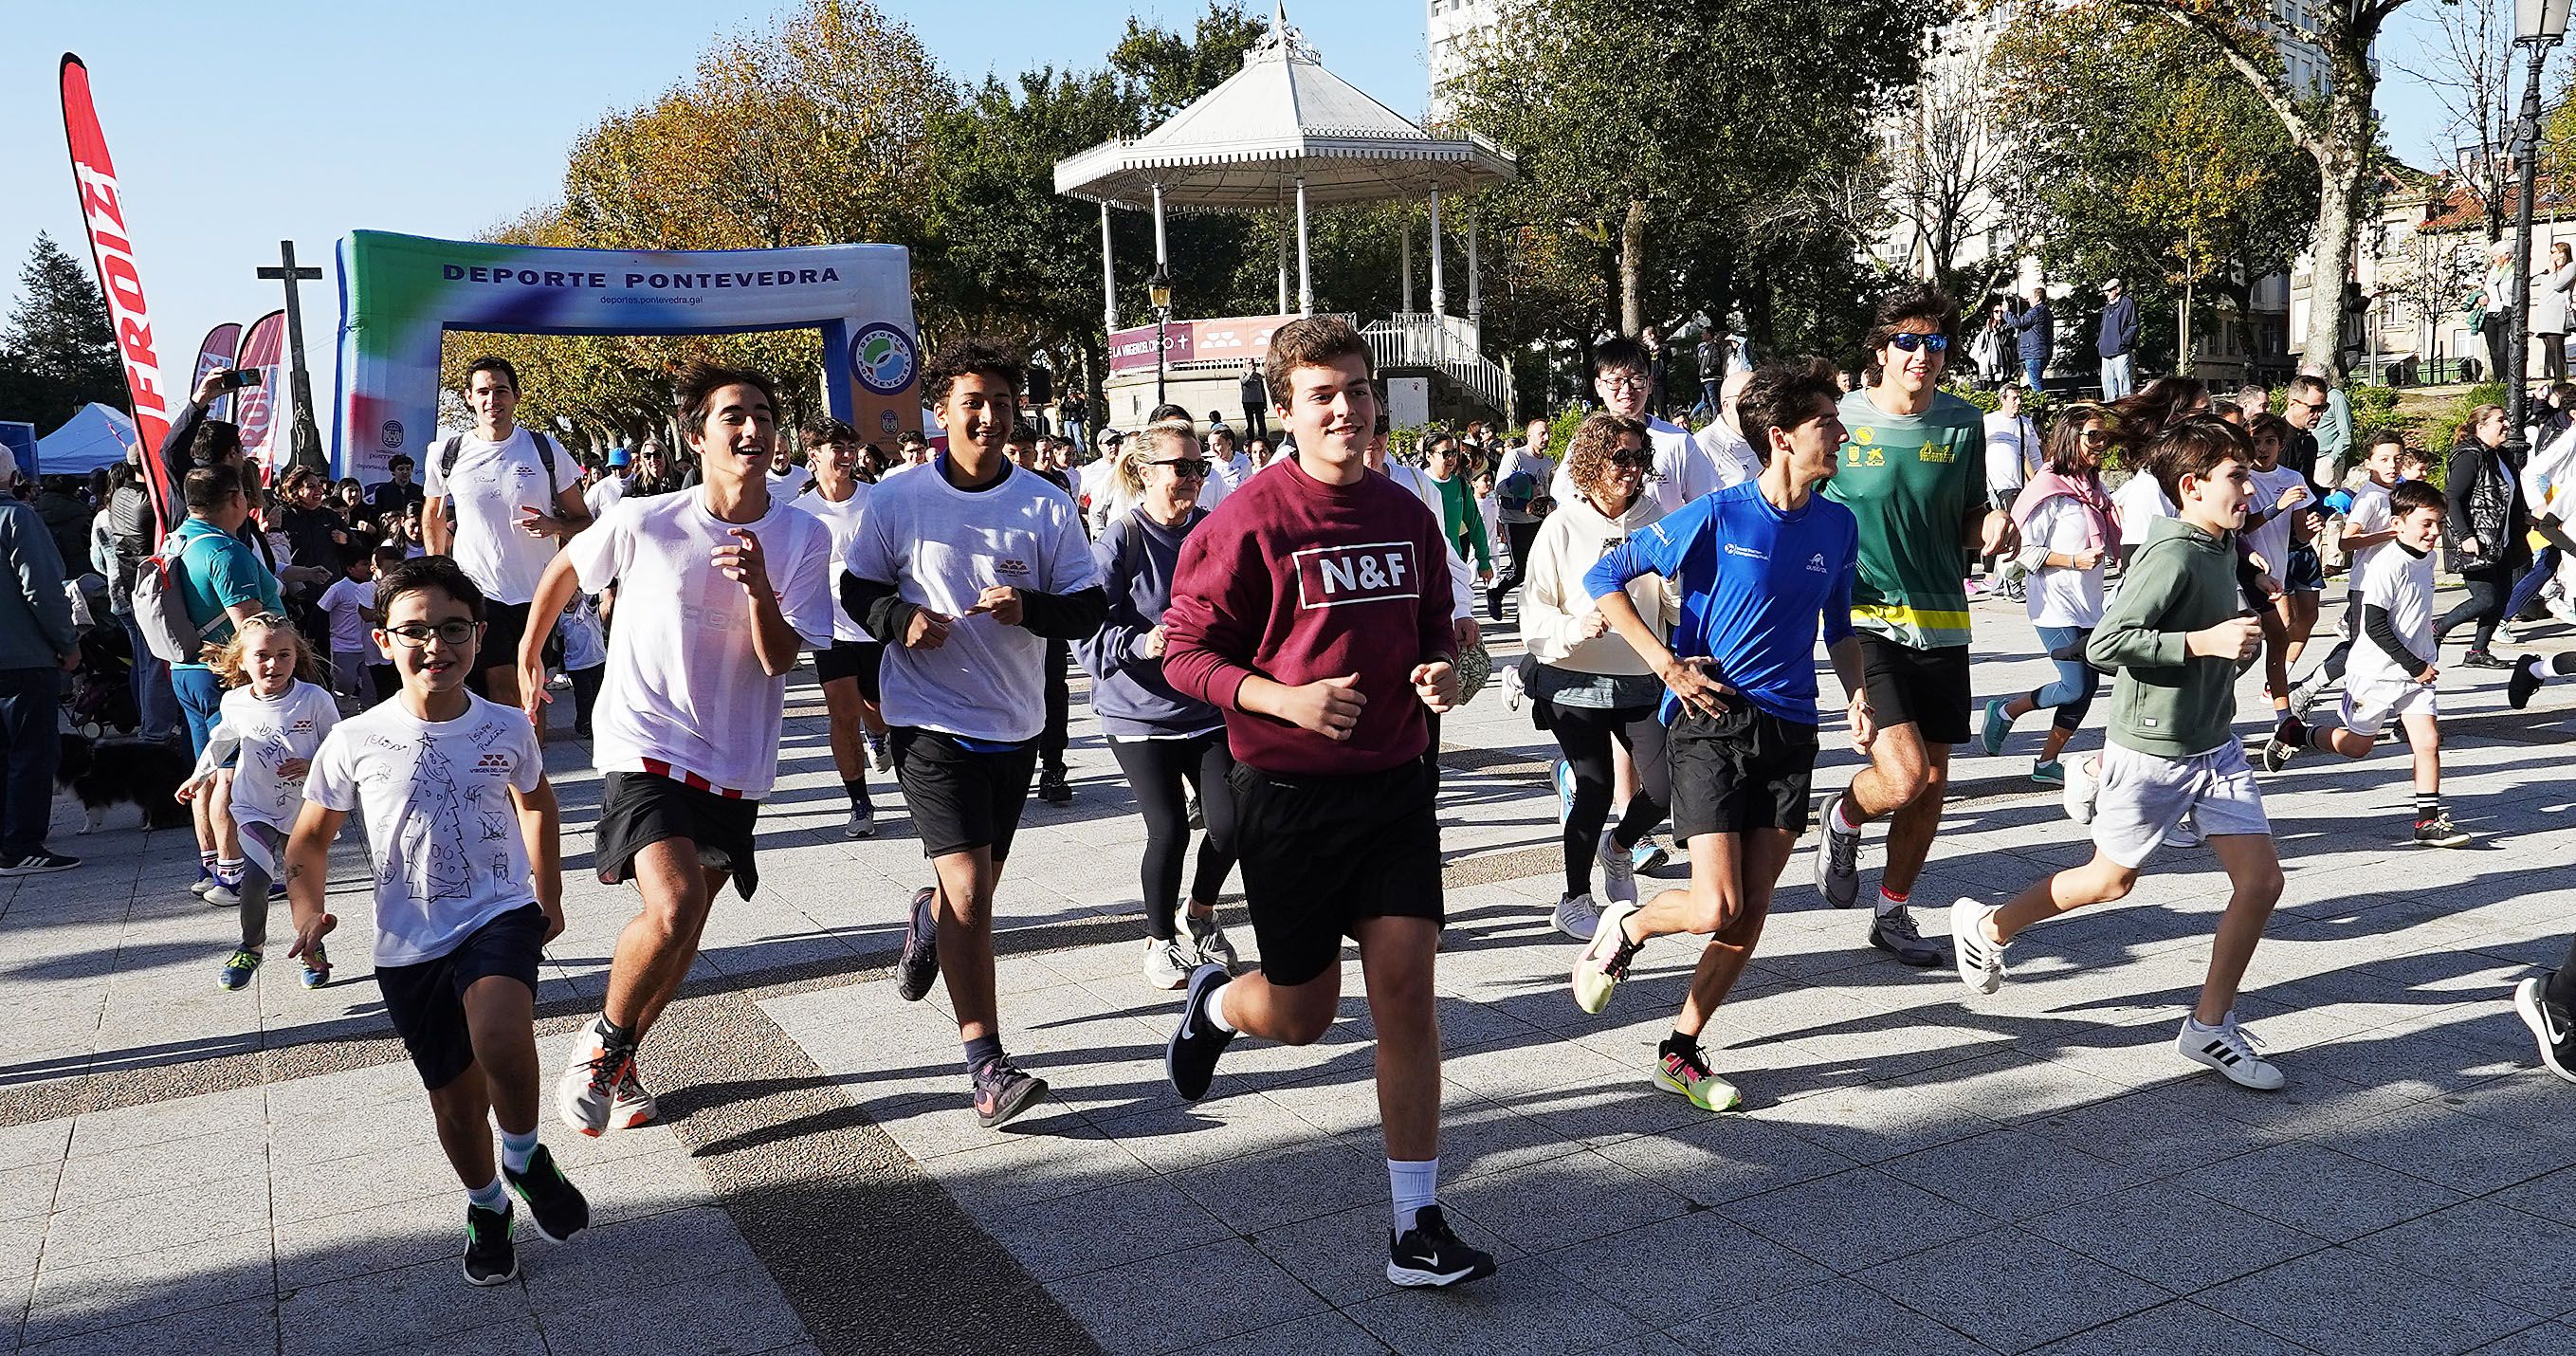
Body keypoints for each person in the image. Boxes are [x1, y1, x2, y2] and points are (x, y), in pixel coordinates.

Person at [1159, 316, 1490, 1290]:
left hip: (1393, 785)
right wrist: (1282, 697)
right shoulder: (1247, 520)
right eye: (1321, 394)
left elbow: (1458, 645)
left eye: (1355, 388)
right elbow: (1182, 653)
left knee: (1406, 991)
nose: (1344, 407)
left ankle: (1414, 1223)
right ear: (1284, 410)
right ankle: (1216, 1003)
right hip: (1287, 795)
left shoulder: (1408, 514)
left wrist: (1451, 678)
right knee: (1304, 1013)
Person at [530, 366, 835, 1137]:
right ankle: (600, 1048)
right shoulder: (645, 518)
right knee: (673, 909)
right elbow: (566, 567)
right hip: (644, 737)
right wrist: (532, 653)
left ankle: (621, 1051)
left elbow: (777, 659)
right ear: (695, 437)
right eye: (734, 416)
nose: (753, 430)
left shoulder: (804, 533)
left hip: (735, 753)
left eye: (765, 416)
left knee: (685, 930)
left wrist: (761, 589)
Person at [1565, 357, 1867, 1111]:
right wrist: (1665, 665)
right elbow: (1605, 578)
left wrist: (1859, 696)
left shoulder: (1837, 521)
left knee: (1751, 909)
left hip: (1791, 727)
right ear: (1781, 438)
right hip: (1709, 719)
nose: (1840, 431)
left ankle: (1680, 1049)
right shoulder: (1719, 514)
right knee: (1711, 905)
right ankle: (1628, 926)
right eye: (1825, 421)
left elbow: (1840, 628)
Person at [1953, 415, 2288, 1090]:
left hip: (2213, 744)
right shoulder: (2171, 554)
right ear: (2191, 487)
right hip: (2155, 748)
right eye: (2235, 477)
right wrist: (2203, 644)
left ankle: (2207, 1028)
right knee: (2109, 882)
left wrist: (2240, 629)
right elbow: (2105, 645)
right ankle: (1989, 925)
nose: (2247, 489)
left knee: (2261, 884)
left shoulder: (2218, 544)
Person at [283, 555, 590, 1286]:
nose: (436, 646)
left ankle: (524, 1156)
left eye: (453, 628)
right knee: (454, 1103)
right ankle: (487, 1204)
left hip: (499, 913)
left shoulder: (508, 725)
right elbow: (308, 841)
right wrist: (308, 910)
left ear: (479, 637)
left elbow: (538, 803)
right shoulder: (354, 740)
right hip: (407, 942)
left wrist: (547, 892)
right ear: (383, 641)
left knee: (503, 1035)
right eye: (414, 630)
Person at [845, 339, 1105, 1130]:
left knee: (969, 896)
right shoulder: (894, 499)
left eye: (999, 401)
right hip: (926, 720)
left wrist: (1028, 610)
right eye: (970, 402)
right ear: (942, 411)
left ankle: (925, 915)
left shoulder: (1044, 502)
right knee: (973, 900)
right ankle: (986, 1067)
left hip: (1013, 723)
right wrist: (901, 619)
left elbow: (1087, 607)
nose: (986, 415)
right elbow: (858, 590)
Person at [1813, 284, 2014, 967]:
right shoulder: (1838, 420)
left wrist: (1987, 525)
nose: (1921, 355)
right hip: (1864, 615)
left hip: (1941, 618)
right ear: (1879, 349)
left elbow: (1965, 515)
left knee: (1930, 786)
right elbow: (1799, 506)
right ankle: (1841, 816)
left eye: (1933, 342)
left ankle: (1893, 911)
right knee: (1899, 778)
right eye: (1905, 340)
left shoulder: (1963, 422)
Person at [1077, 422, 1242, 988]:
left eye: (1199, 468)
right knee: (1168, 829)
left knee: (1232, 822)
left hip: (1207, 707)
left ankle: (1198, 915)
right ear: (1143, 472)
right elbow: (1084, 630)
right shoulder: (1120, 541)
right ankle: (1159, 941)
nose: (1193, 478)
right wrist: (1137, 642)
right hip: (1138, 713)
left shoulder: (1213, 533)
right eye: (1181, 467)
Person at [1523, 412, 1674, 941]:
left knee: (1663, 786)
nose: (1631, 469)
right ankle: (1573, 898)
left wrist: (1676, 590)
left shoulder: (1660, 518)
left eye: (1639, 457)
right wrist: (1575, 625)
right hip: (1572, 681)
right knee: (1594, 786)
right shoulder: (1562, 525)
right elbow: (1532, 614)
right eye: (1620, 458)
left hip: (1639, 677)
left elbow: (1678, 603)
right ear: (1591, 462)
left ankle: (1619, 848)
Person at [2259, 481, 2471, 847]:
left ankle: (2428, 822)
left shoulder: (2429, 557)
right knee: (2358, 747)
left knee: (2428, 742)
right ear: (2398, 523)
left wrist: (2422, 657)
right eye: (2426, 524)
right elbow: (2373, 625)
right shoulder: (2387, 564)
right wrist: (2413, 663)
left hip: (2414, 673)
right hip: (2375, 672)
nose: (2434, 532)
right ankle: (2294, 734)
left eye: (2439, 523)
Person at [421, 356, 591, 714]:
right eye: (483, 391)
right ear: (469, 397)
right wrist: (438, 573)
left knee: (533, 686)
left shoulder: (545, 449)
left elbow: (583, 520)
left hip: (538, 590)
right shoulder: (446, 454)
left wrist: (555, 525)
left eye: (500, 391)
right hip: (480, 590)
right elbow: (432, 517)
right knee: (501, 685)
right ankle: (513, 767)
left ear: (515, 397)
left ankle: (531, 768)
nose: (492, 400)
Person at [181, 614, 338, 989]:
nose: (273, 664)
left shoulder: (314, 698)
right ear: (241, 661)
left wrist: (313, 761)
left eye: (284, 655)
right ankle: (251, 946)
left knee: (302, 883)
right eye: (262, 655)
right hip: (253, 806)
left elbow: (339, 745)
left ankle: (311, 950)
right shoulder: (235, 701)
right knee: (255, 877)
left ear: (297, 657)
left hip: (304, 808)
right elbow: (220, 740)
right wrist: (198, 776)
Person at [1981, 404, 2115, 784]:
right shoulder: (2050, 488)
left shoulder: (2092, 487)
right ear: (2072, 438)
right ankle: (2006, 709)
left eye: (2104, 436)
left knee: (2085, 690)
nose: (2101, 443)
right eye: (2093, 436)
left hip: (2090, 605)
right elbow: (2021, 550)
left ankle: (2045, 764)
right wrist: (2072, 560)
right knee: (2075, 684)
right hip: (2054, 606)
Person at [169, 467, 285, 896]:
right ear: (235, 497)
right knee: (232, 776)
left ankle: (210, 864)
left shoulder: (179, 539)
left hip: (186, 669)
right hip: (225, 675)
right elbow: (252, 628)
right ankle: (233, 874)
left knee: (205, 771)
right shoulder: (226, 551)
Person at [792, 417, 887, 836]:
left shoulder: (877, 500)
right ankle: (860, 803)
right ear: (814, 456)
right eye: (837, 449)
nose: (847, 457)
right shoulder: (798, 514)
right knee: (842, 715)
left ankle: (880, 736)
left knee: (879, 708)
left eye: (851, 448)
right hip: (829, 629)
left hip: (877, 624)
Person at [2289, 432, 2406, 719]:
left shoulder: (2397, 494)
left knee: (2394, 645)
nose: (2392, 465)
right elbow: (2345, 540)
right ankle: (2305, 691)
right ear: (2369, 463)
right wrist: (2389, 534)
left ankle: (2401, 711)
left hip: (2394, 585)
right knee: (2362, 648)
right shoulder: (2370, 497)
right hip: (2367, 586)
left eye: (2398, 459)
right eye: (2384, 459)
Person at [0, 466, 79, 877]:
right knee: (30, 753)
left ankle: (8, 843)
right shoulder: (15, 517)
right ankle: (21, 845)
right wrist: (67, 642)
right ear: (12, 477)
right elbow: (42, 588)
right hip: (23, 655)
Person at [2238, 415, 2320, 745]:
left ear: (2281, 446)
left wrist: (2311, 526)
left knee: (2280, 638)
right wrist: (2276, 506)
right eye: (2257, 441)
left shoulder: (2293, 477)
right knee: (2251, 644)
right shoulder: (2242, 477)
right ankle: (2214, 702)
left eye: (2270, 441)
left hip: (2277, 569)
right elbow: (2242, 527)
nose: (2263, 448)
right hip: (2245, 571)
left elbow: (2299, 532)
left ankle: (2284, 718)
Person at [2437, 404, 2530, 669]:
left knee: (2501, 597)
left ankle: (2478, 651)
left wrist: (2525, 516)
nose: (2507, 425)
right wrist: (2465, 535)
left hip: (2502, 539)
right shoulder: (2469, 455)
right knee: (2485, 598)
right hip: (2478, 540)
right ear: (2481, 427)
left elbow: (2508, 496)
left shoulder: (2501, 455)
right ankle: (2437, 628)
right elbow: (2452, 497)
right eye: (2501, 420)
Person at [104, 454, 179, 742]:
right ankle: (154, 728)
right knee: (155, 662)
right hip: (147, 584)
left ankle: (147, 720)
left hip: (127, 585)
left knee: (143, 661)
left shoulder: (120, 495)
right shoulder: (149, 501)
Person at [1484, 417, 1559, 622]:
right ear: (1529, 435)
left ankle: (1524, 611)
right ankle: (1496, 593)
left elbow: (1550, 490)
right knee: (1520, 570)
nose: (1546, 437)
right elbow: (1500, 487)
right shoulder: (1515, 456)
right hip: (1515, 520)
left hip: (1539, 520)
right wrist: (1524, 489)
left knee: (1540, 568)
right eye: (1541, 433)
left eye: (1548, 433)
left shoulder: (1548, 462)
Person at [1982, 385, 2038, 598]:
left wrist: (2040, 481)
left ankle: (2000, 583)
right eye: (2013, 398)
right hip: (1995, 486)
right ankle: (2011, 583)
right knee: (2010, 533)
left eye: (2019, 398)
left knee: (2014, 533)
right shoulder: (1989, 422)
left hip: (2018, 486)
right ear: (2002, 399)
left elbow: (2034, 456)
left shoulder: (2025, 424)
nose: (2018, 402)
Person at [1421, 434, 1492, 582]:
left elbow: (1474, 523)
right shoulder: (1417, 483)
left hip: (1454, 563)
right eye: (1445, 454)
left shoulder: (1460, 484)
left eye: (1453, 453)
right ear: (1429, 456)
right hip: (1424, 565)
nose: (1451, 459)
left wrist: (1484, 560)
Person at [316, 550, 378, 704]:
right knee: (345, 682)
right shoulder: (339, 588)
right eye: (363, 564)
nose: (369, 568)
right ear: (350, 569)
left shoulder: (375, 587)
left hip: (369, 646)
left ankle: (366, 711)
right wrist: (312, 635)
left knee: (371, 684)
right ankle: (341, 703)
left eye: (371, 564)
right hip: (344, 646)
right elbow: (320, 611)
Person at [2096, 278, 2138, 400]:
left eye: (2109, 291)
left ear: (2117, 289)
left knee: (2124, 381)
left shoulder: (2127, 303)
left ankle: (2126, 408)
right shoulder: (2107, 306)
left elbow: (2133, 325)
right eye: (2105, 291)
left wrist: (2124, 341)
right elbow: (2103, 326)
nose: (2106, 294)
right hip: (2105, 350)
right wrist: (2100, 343)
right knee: (2107, 383)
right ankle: (2110, 408)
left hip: (2121, 350)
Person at [2541, 242, 2576, 386]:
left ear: (2562, 253)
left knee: (2556, 348)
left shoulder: (2570, 267)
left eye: (2553, 251)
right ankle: (2556, 378)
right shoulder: (2552, 270)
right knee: (2549, 347)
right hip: (2546, 313)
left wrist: (2553, 271)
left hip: (2557, 314)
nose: (2551, 255)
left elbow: (2558, 285)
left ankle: (2560, 381)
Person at [2011, 285, 2054, 391]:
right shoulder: (2046, 311)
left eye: (2030, 297)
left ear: (2037, 298)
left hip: (2033, 352)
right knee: (2037, 380)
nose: (2028, 299)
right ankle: (2041, 401)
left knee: (2035, 382)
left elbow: (2018, 323)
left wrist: (2007, 313)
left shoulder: (2035, 311)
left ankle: (2040, 404)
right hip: (2042, 351)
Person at [370, 455, 427, 522]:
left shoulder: (419, 490)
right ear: (393, 471)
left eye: (408, 469)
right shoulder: (382, 490)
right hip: (390, 528)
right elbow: (378, 514)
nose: (405, 472)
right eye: (401, 469)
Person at [584, 447, 632, 521]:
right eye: (614, 468)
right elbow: (585, 513)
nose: (618, 472)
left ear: (630, 464)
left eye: (622, 467)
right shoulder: (599, 488)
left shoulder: (641, 481)